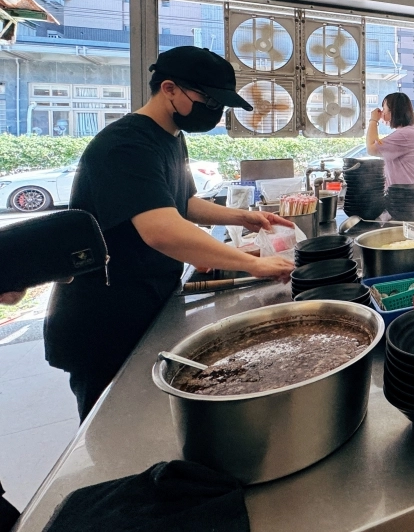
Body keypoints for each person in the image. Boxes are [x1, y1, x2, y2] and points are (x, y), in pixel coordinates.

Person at [45, 46, 295, 421]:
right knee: (115, 427)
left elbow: (183, 203)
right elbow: (162, 230)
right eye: (208, 100)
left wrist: (243, 218)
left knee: (153, 419)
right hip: (106, 313)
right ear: (169, 89)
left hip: (146, 297)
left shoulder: (171, 136)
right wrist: (250, 264)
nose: (214, 111)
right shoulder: (125, 145)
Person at [366, 92, 414, 213]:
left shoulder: (405, 134)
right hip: (409, 198)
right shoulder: (408, 132)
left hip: (412, 200)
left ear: (393, 110)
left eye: (384, 107)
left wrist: (373, 120)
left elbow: (371, 148)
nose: (382, 111)